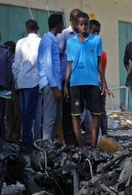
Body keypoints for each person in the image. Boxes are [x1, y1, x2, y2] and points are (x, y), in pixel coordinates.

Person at [64, 12, 108, 148]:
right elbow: (70, 64)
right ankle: (81, 147)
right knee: (75, 115)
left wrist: (104, 83)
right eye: (81, 24)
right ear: (76, 26)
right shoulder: (71, 42)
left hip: (93, 83)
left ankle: (93, 147)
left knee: (96, 115)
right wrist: (66, 84)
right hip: (76, 83)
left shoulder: (96, 40)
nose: (84, 27)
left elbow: (99, 62)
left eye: (86, 24)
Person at [13, 19, 41, 152]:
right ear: (37, 28)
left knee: (25, 113)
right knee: (31, 114)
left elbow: (16, 64)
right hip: (34, 81)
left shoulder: (20, 42)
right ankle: (27, 142)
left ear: (26, 29)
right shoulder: (40, 42)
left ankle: (26, 140)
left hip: (22, 81)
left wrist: (16, 80)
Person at [38, 13, 64, 142]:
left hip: (55, 85)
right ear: (58, 25)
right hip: (50, 85)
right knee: (49, 118)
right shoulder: (48, 41)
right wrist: (55, 88)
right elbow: (48, 67)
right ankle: (46, 148)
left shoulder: (52, 40)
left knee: (57, 118)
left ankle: (51, 145)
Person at [58, 8, 81, 145]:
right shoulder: (65, 35)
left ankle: (77, 141)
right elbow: (58, 56)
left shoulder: (83, 35)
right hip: (66, 81)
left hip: (79, 81)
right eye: (76, 20)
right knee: (67, 114)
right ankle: (70, 142)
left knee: (77, 112)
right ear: (71, 20)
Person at [87, 19, 113, 135]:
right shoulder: (78, 47)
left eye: (98, 32)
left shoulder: (102, 54)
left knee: (101, 112)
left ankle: (104, 136)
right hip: (83, 85)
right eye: (93, 31)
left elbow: (102, 72)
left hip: (96, 85)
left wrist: (104, 86)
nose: (96, 35)